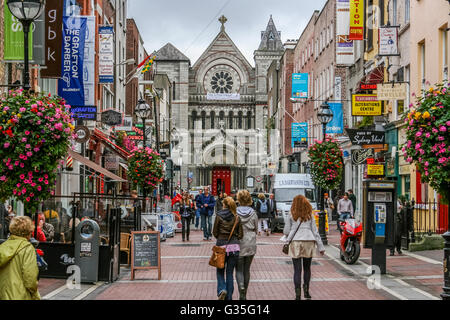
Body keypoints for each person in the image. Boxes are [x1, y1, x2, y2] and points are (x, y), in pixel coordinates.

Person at [283, 195, 325, 300]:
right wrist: (321, 247)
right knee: (307, 268)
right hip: (309, 241)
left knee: (297, 270)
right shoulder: (309, 214)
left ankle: (297, 294)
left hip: (296, 241)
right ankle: (306, 292)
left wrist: (289, 234)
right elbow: (315, 231)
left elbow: (286, 231)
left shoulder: (291, 214)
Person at [0, 216, 41, 300]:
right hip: (21, 295)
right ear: (28, 232)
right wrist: (35, 293)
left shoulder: (3, 247)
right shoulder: (27, 248)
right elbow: (30, 278)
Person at [213, 197, 243, 300]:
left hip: (221, 246)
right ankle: (229, 297)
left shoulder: (219, 215)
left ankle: (222, 289)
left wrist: (221, 238)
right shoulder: (237, 217)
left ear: (224, 205)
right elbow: (240, 235)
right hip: (234, 247)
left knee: (220, 271)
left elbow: (215, 232)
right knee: (230, 273)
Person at [235, 190, 258, 300]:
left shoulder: (235, 212)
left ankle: (241, 287)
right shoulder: (253, 213)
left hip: (238, 241)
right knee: (247, 269)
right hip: (250, 242)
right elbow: (257, 228)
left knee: (239, 269)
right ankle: (244, 295)